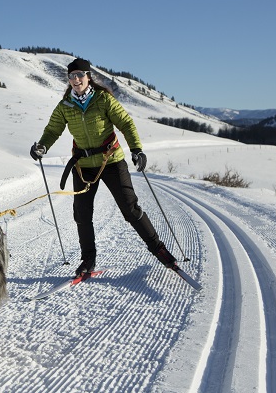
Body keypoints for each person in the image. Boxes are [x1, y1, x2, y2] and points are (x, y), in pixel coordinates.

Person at [30, 58, 177, 278]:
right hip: (83, 166)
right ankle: (87, 259)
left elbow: (126, 123)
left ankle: (159, 250)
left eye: (80, 75)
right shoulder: (65, 106)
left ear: (88, 77)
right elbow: (53, 130)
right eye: (72, 76)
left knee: (130, 208)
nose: (76, 79)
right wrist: (42, 146)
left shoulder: (103, 99)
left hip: (112, 162)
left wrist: (136, 149)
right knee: (82, 214)